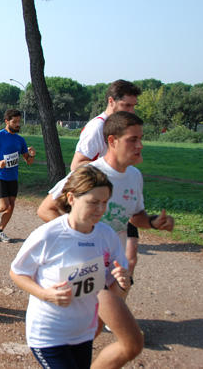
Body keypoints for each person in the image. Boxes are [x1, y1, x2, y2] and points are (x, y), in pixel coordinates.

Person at [38, 112, 176, 368]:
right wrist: (82, 238)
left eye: (141, 139)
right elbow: (46, 209)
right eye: (133, 139)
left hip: (115, 269)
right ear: (112, 141)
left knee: (91, 332)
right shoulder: (89, 174)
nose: (140, 145)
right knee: (131, 342)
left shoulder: (134, 176)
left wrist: (154, 221)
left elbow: (135, 216)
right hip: (86, 271)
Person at [11, 165, 133, 369]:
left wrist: (123, 283)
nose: (101, 209)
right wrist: (44, 294)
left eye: (104, 202)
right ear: (71, 198)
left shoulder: (106, 235)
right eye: (93, 202)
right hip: (48, 335)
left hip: (84, 332)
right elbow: (17, 272)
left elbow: (113, 293)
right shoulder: (49, 235)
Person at [70, 80, 143, 272]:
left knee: (129, 259)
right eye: (126, 105)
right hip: (100, 201)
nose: (131, 111)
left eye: (133, 106)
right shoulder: (97, 128)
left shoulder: (123, 126)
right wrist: (109, 169)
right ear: (111, 101)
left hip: (119, 196)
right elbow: (76, 165)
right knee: (100, 263)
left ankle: (117, 293)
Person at [0, 109, 36, 243]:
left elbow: (28, 161)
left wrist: (32, 155)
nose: (18, 124)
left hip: (13, 176)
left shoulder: (20, 140)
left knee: (11, 205)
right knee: (4, 206)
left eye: (19, 121)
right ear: (7, 121)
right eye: (14, 122)